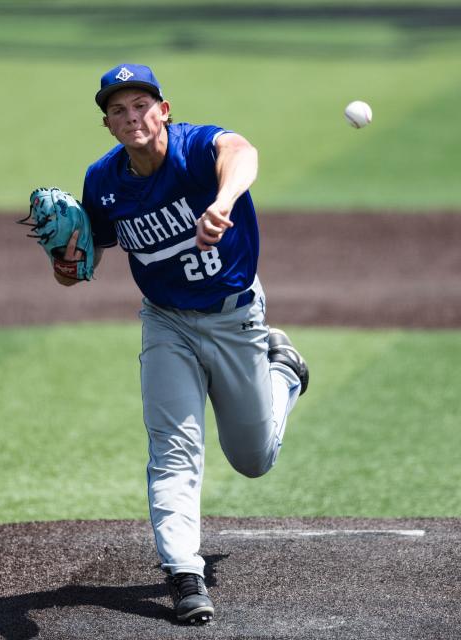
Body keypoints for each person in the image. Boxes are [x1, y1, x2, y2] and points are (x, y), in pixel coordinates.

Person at [56, 63, 309, 625]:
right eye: (118, 110)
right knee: (173, 446)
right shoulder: (103, 181)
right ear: (108, 124)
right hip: (165, 321)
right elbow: (86, 258)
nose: (132, 117)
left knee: (253, 459)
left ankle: (284, 372)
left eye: (141, 105)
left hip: (235, 317)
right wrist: (67, 263)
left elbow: (242, 152)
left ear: (163, 109)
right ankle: (184, 574)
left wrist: (223, 200)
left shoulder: (195, 148)